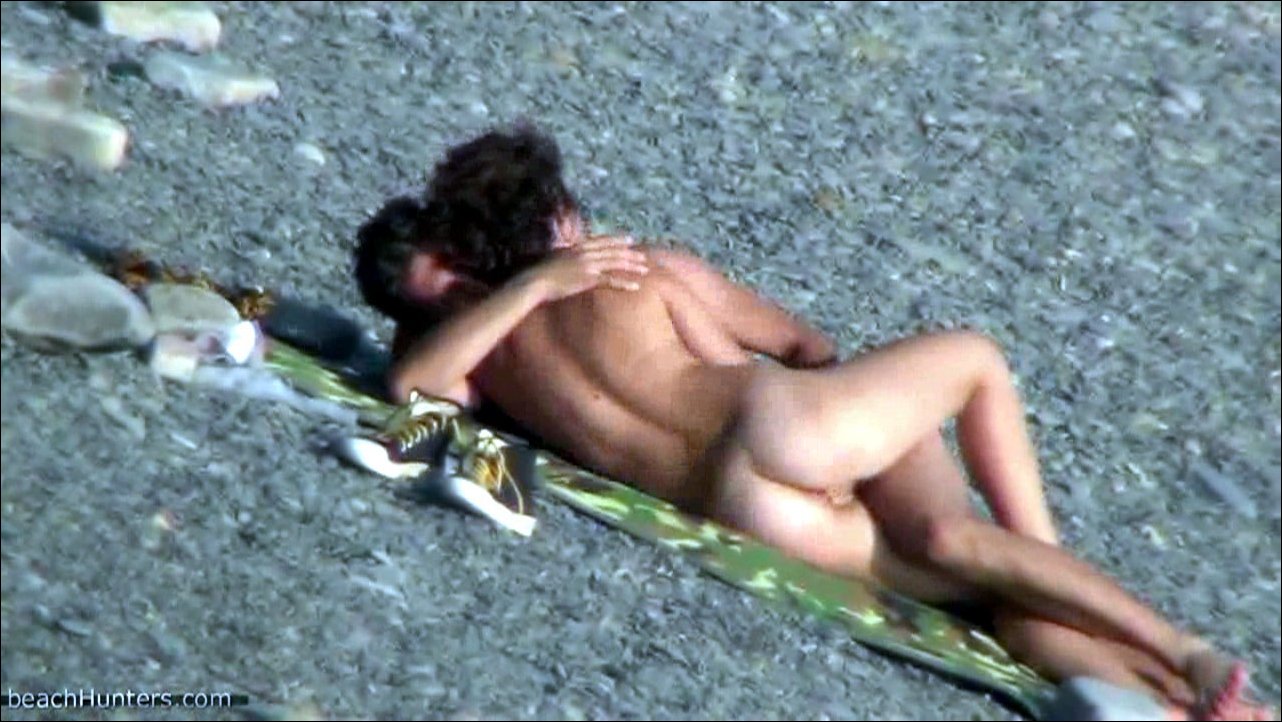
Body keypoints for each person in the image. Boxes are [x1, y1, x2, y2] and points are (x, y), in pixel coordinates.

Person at [353, 123, 1272, 721]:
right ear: (558, 218)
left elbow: (414, 388)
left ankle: (1167, 705)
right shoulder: (640, 269)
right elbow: (803, 346)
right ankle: (1173, 645)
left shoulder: (486, 361)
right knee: (975, 375)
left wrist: (523, 299)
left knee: (984, 602)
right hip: (781, 424)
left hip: (743, 511)